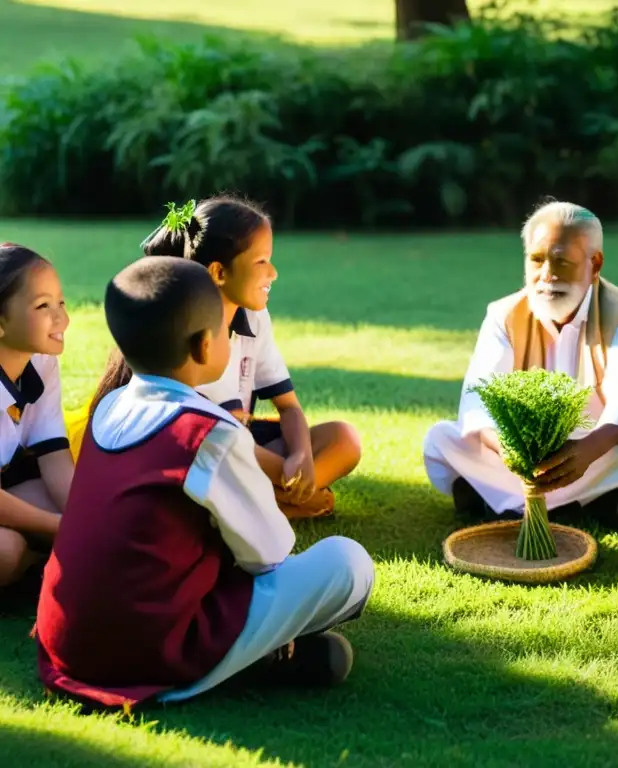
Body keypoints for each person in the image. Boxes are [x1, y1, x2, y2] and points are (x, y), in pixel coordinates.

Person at [35, 256, 374, 709]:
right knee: (347, 563)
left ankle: (266, 654)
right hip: (154, 650)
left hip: (69, 643)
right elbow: (267, 554)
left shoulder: (110, 407)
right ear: (201, 346)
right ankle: (260, 657)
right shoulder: (209, 431)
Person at [88, 197, 361, 519]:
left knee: (343, 439)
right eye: (261, 262)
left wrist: (300, 455)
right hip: (203, 457)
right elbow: (216, 444)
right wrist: (292, 477)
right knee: (227, 472)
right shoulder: (188, 335)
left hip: (239, 449)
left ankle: (260, 508)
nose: (273, 273)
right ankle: (273, 507)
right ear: (218, 271)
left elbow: (287, 406)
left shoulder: (254, 319)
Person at [423, 201, 618, 529]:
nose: (546, 276)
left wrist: (586, 451)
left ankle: (497, 503)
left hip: (592, 448)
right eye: (537, 260)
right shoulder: (504, 314)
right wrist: (508, 451)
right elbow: (478, 397)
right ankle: (595, 504)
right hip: (516, 453)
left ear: (594, 264)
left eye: (561, 261)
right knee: (442, 439)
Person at [0, 243, 72, 591]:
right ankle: (38, 564)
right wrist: (61, 528)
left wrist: (85, 521)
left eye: (61, 302)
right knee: (6, 551)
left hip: (9, 483)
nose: (62, 319)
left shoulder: (41, 361)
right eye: (43, 306)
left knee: (94, 508)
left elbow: (54, 455)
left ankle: (44, 562)